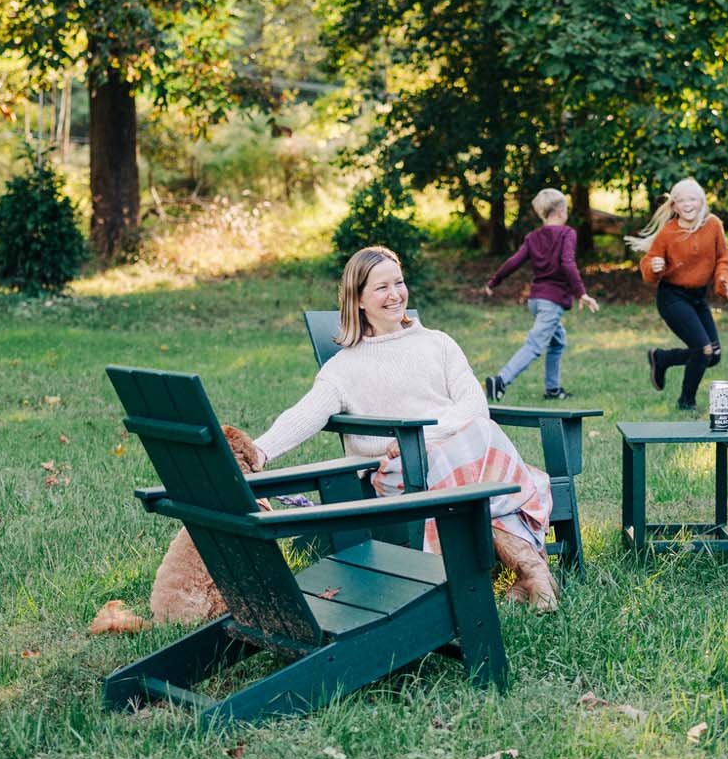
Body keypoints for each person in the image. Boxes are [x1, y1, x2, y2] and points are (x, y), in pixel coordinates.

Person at [249, 246, 559, 611]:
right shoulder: (344, 367)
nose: (395, 294)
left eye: (398, 283)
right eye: (381, 288)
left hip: (462, 454)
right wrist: (259, 450)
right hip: (402, 470)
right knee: (490, 463)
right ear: (358, 299)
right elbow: (304, 414)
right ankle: (533, 572)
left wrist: (426, 438)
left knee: (481, 434)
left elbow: (474, 406)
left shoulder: (439, 343)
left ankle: (530, 575)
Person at [481, 188, 599, 402]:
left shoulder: (533, 237)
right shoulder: (567, 233)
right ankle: (501, 380)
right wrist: (581, 293)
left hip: (536, 300)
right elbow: (568, 263)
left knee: (557, 342)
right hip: (551, 301)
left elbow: (514, 261)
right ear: (561, 211)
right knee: (535, 344)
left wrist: (494, 281)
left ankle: (553, 390)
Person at [629, 177, 728, 410]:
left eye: (693, 199)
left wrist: (723, 280)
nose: (688, 205)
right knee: (703, 350)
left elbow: (722, 259)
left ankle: (662, 359)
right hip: (672, 297)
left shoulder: (713, 225)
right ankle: (686, 402)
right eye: (682, 200)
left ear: (702, 202)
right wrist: (654, 267)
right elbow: (648, 264)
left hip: (698, 297)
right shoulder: (668, 232)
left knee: (714, 355)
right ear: (674, 206)